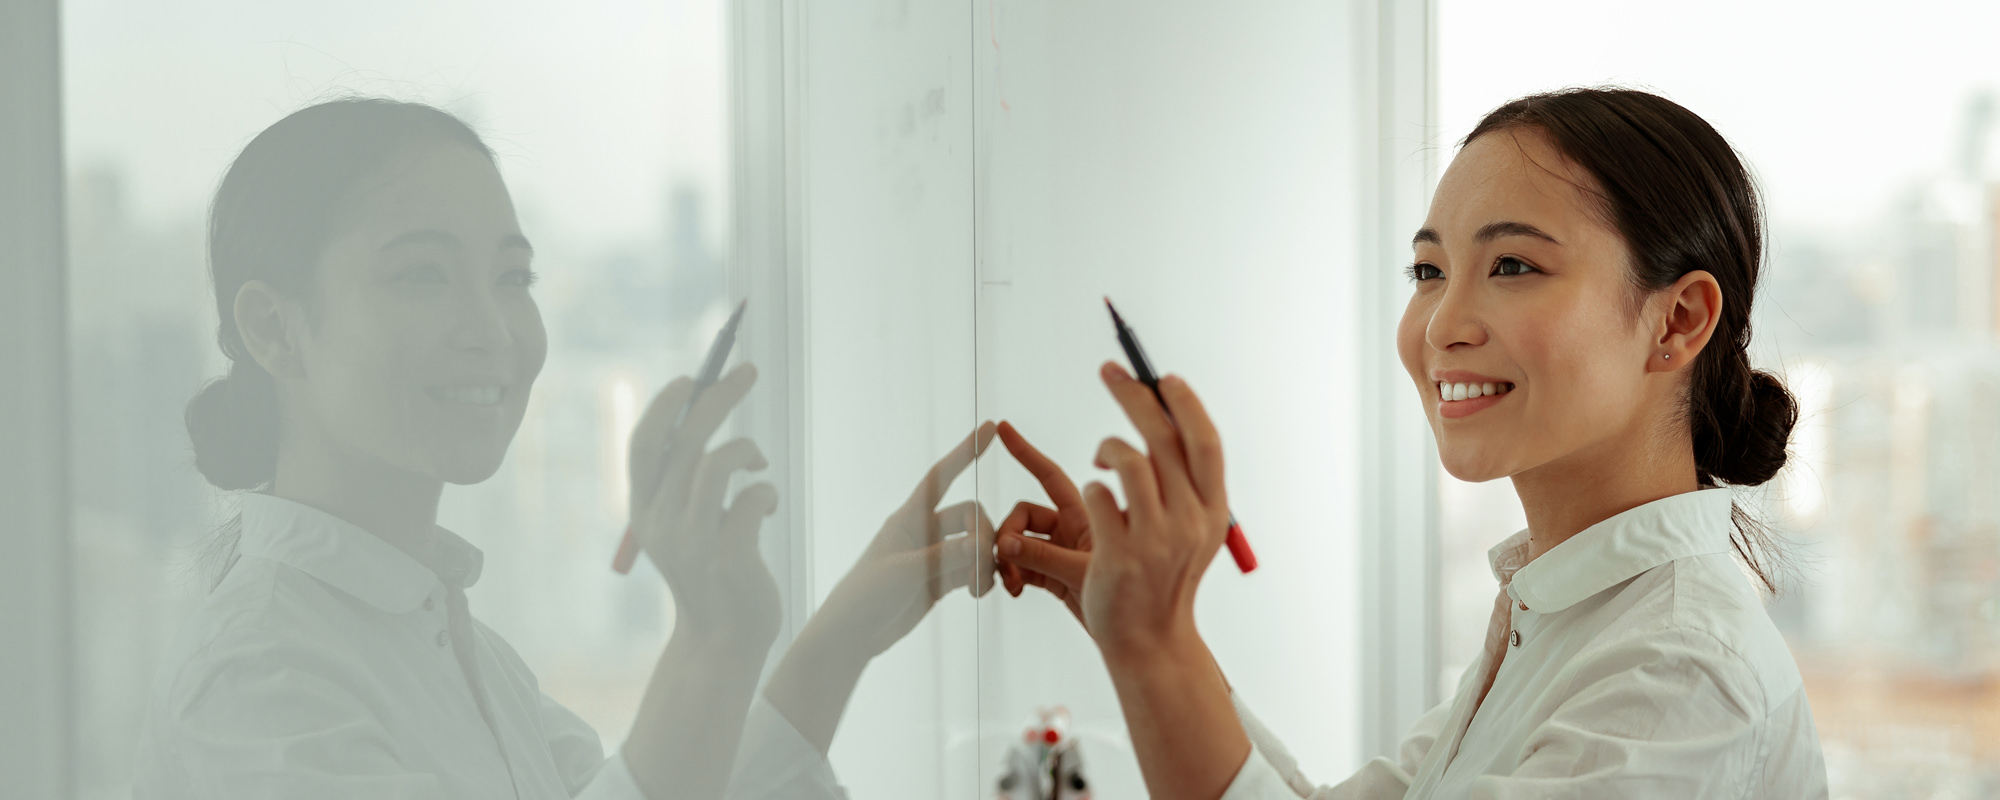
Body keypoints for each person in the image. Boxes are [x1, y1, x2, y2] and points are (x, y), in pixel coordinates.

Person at [132, 97, 998, 800]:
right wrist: (711, 639)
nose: (491, 329)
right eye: (422, 274)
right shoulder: (251, 682)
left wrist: (833, 636)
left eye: (512, 278)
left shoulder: (459, 649)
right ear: (275, 331)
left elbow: (652, 788)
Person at [992, 88, 1830, 798]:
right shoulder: (1562, 613)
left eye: (1512, 266)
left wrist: (1155, 637)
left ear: (1676, 321)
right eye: (1428, 272)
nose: (1443, 326)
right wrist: (1138, 625)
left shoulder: (1679, 674)